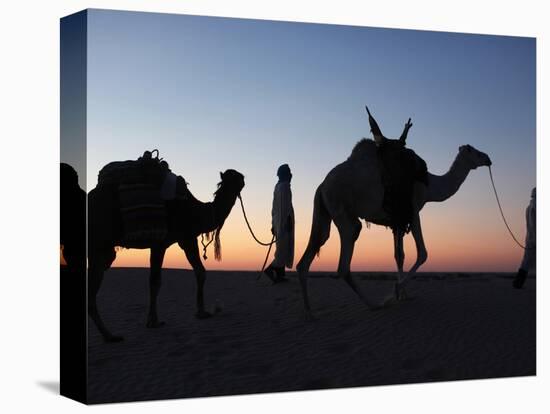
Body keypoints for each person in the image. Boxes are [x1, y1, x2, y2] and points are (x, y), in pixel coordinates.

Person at [264, 164, 295, 284]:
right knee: (282, 249)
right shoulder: (284, 187)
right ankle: (271, 270)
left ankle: (280, 276)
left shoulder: (278, 187)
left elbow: (274, 209)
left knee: (282, 248)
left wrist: (273, 224)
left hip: (278, 222)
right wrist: (287, 222)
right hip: (283, 223)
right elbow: (284, 207)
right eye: (289, 173)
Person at [513, 187, 536, 289]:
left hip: (530, 239)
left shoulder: (528, 207)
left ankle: (518, 283)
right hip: (535, 238)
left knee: (526, 262)